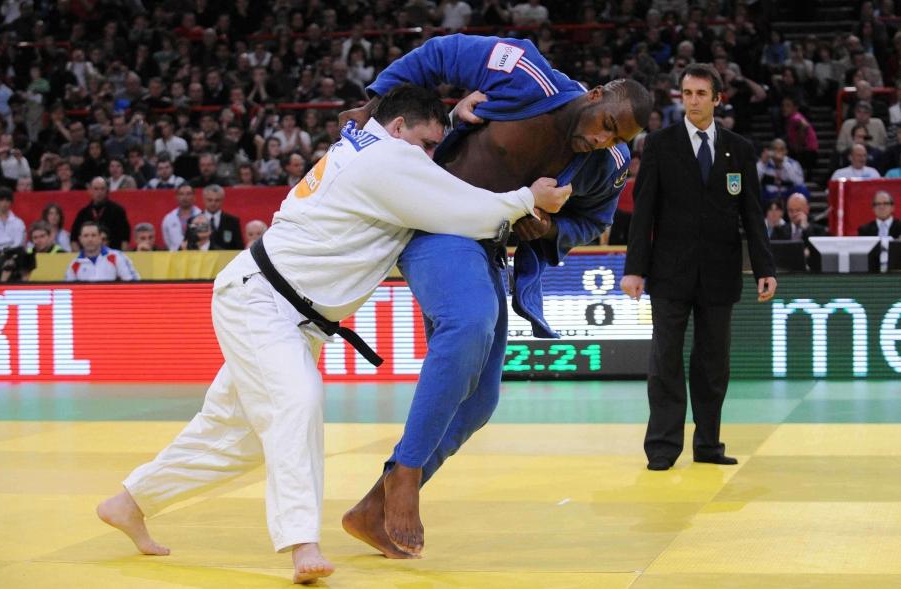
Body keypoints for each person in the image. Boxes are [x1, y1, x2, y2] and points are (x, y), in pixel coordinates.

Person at [95, 84, 570, 585]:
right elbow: (468, 211)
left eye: (436, 146)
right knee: (296, 404)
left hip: (284, 309)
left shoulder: (368, 143)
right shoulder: (386, 164)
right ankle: (303, 544)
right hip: (263, 300)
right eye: (426, 144)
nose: (431, 157)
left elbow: (422, 156)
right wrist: (526, 199)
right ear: (399, 128)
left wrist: (449, 117)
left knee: (236, 436)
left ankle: (129, 502)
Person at [339, 33, 651, 558]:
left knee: (481, 400)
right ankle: (407, 472)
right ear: (596, 95)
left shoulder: (609, 164)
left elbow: (591, 220)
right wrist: (377, 102)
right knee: (470, 323)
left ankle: (374, 507)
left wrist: (550, 231)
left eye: (617, 137)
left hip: (486, 246)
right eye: (606, 125)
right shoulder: (524, 73)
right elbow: (437, 54)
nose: (602, 140)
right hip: (434, 222)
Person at [621, 63, 777, 472]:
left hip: (720, 273)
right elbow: (644, 212)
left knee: (712, 366)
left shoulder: (739, 149)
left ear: (717, 99)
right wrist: (634, 269)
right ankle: (662, 447)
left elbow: (752, 213)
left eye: (701, 94)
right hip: (670, 272)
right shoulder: (658, 144)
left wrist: (764, 266)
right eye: (687, 93)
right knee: (665, 361)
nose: (693, 101)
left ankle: (708, 444)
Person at [65, 221, 140, 281]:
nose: (90, 239)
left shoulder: (116, 257)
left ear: (100, 238)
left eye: (93, 235)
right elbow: (70, 292)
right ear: (80, 239)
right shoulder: (74, 265)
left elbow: (132, 284)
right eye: (86, 236)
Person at [71, 177, 131, 251]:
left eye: (102, 189)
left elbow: (125, 239)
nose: (99, 192)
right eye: (96, 189)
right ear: (90, 191)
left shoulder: (118, 211)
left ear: (107, 191)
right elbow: (73, 239)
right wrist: (81, 258)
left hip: (113, 255)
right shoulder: (83, 213)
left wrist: (121, 257)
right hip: (89, 257)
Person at [858, 190, 901, 271]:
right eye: (878, 204)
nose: (882, 207)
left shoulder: (900, 227)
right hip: (872, 272)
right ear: (873, 208)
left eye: (885, 203)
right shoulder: (864, 230)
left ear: (892, 207)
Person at [161, 184, 202, 251]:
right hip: (175, 257)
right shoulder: (169, 218)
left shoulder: (202, 216)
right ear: (176, 197)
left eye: (188, 194)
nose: (184, 197)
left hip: (198, 255)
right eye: (181, 194)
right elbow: (167, 241)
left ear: (194, 197)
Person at [202, 184, 244, 249]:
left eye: (217, 200)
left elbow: (239, 246)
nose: (213, 203)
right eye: (210, 200)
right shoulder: (194, 221)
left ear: (222, 200)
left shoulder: (233, 221)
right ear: (204, 200)